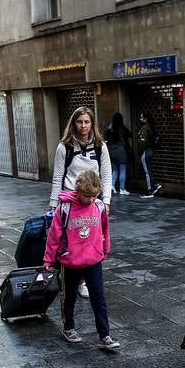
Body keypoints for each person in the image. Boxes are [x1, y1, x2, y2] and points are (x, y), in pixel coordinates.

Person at [44, 169, 120, 352]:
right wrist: (49, 259)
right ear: (77, 190)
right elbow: (54, 236)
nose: (91, 199)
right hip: (70, 261)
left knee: (99, 298)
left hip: (93, 259)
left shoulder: (99, 206)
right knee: (68, 297)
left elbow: (104, 230)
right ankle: (68, 327)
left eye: (94, 195)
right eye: (87, 195)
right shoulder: (65, 209)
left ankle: (104, 335)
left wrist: (105, 248)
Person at [50, 108, 112, 298]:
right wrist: (54, 206)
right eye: (80, 122)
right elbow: (58, 176)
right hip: (70, 203)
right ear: (73, 123)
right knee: (68, 242)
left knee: (89, 241)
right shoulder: (65, 147)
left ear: (92, 124)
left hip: (92, 204)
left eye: (87, 122)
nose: (83, 126)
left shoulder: (101, 146)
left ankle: (84, 280)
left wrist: (106, 201)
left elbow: (107, 175)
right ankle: (68, 275)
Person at [135, 110, 161, 196]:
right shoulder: (150, 126)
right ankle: (155, 184)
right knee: (147, 170)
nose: (140, 119)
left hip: (146, 151)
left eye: (142, 117)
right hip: (150, 150)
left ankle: (150, 190)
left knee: (147, 171)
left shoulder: (145, 128)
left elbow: (143, 142)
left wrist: (140, 152)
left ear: (146, 119)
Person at [105, 111, 131, 196]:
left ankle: (112, 186)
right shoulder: (122, 128)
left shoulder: (109, 128)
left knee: (115, 170)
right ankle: (122, 189)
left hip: (111, 151)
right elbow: (129, 134)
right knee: (123, 170)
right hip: (121, 151)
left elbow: (105, 138)